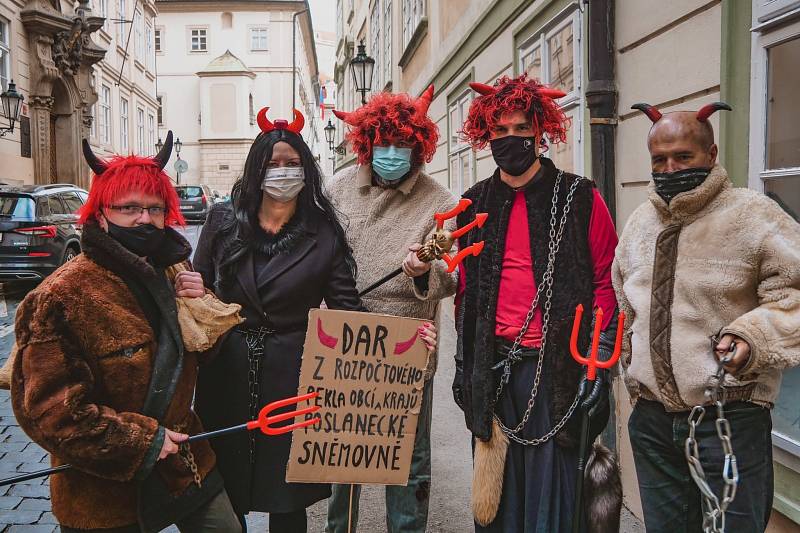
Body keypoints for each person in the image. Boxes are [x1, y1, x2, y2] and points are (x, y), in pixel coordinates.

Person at [188, 107, 438, 533]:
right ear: (255, 169)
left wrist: (404, 342)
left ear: (305, 170)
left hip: (294, 379)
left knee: (287, 498)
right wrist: (191, 292)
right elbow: (201, 293)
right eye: (273, 164)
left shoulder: (322, 231)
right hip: (226, 372)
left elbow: (347, 310)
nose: (282, 172)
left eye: (292, 164)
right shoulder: (223, 220)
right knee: (227, 491)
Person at [11, 134, 242, 533]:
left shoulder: (175, 267)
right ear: (101, 215)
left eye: (154, 209)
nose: (144, 219)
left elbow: (204, 354)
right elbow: (52, 415)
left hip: (185, 463)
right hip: (101, 486)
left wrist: (202, 304)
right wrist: (143, 443)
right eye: (129, 208)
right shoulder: (59, 297)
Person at [615, 102, 800, 533]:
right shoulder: (641, 222)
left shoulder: (753, 215)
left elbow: (793, 294)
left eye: (684, 156)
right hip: (652, 423)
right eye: (659, 159)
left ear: (711, 154)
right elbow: (625, 302)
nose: (670, 167)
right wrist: (629, 359)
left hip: (729, 420)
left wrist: (752, 337)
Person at [453, 74, 621, 532]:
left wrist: (599, 364)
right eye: (500, 131)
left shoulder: (580, 196)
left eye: (522, 129)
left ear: (541, 132)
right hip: (496, 368)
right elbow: (467, 294)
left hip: (559, 371)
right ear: (485, 134)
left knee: (556, 492)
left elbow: (606, 283)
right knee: (499, 494)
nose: (511, 139)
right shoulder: (474, 203)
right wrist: (463, 365)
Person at [325, 85, 456, 533]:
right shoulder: (338, 190)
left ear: (418, 146)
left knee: (407, 463)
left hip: (406, 348)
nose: (393, 154)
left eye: (403, 145)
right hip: (345, 344)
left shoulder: (439, 201)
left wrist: (422, 271)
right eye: (384, 144)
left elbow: (452, 274)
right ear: (368, 144)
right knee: (343, 459)